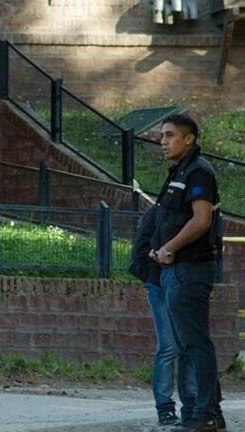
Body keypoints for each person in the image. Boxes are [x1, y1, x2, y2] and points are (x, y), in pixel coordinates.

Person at [149, 114, 225, 432]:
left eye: (169, 135)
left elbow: (201, 220)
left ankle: (206, 413)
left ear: (189, 138)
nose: (163, 141)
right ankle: (201, 413)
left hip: (190, 269)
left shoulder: (199, 171)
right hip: (174, 269)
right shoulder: (179, 171)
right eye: (161, 136)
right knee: (186, 345)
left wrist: (169, 248)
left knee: (195, 344)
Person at [130, 206, 196, 427]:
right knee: (169, 346)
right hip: (160, 281)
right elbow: (141, 246)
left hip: (180, 282)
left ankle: (189, 404)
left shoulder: (193, 212)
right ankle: (165, 407)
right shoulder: (161, 210)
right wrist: (149, 272)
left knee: (184, 346)